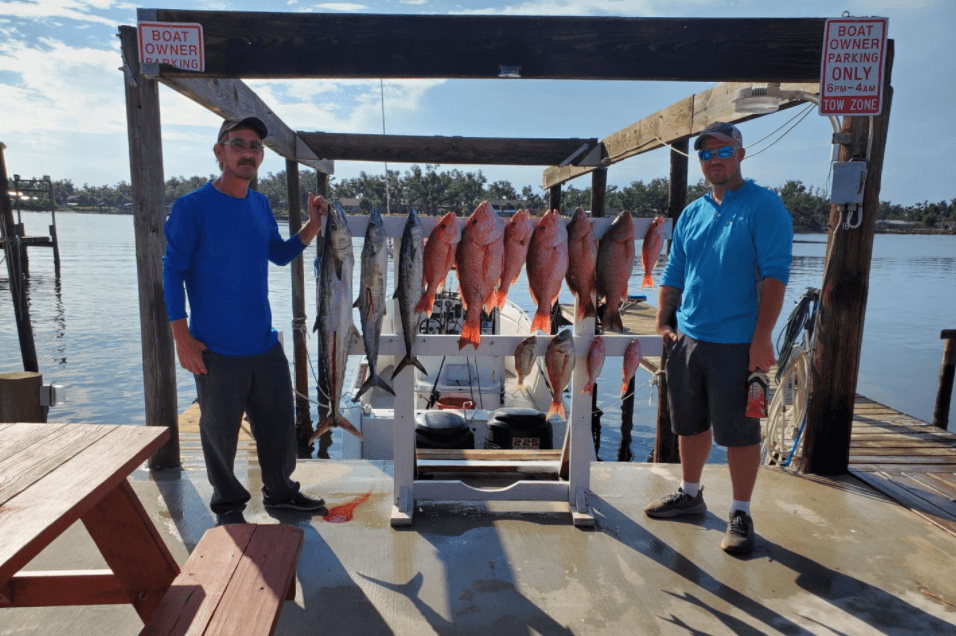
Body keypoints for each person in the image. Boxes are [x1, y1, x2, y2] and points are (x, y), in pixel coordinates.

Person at [163, 116, 328, 526]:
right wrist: (181, 337)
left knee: (278, 425)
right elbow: (172, 272)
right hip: (215, 348)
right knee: (219, 432)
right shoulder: (192, 207)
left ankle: (282, 493)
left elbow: (278, 253)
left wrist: (313, 226)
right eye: (238, 144)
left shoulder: (260, 204)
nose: (248, 152)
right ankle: (228, 505)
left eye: (255, 146)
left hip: (264, 343)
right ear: (220, 152)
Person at [643, 121, 793, 555]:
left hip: (740, 344)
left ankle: (741, 511)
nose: (714, 161)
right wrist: (663, 317)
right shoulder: (691, 213)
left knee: (742, 432)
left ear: (740, 154)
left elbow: (774, 276)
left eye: (722, 151)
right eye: (705, 155)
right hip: (689, 337)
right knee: (688, 424)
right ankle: (690, 495)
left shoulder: (765, 207)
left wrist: (762, 339)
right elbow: (674, 272)